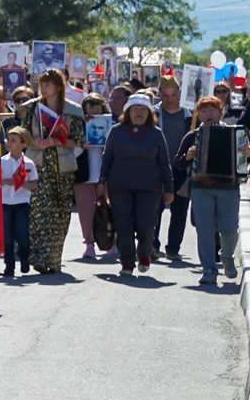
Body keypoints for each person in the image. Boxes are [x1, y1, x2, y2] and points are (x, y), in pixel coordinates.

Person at [14, 69, 80, 275]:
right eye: (41, 85)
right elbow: (21, 133)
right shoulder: (32, 108)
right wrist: (32, 140)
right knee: (38, 211)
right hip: (37, 164)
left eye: (47, 85)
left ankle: (54, 258)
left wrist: (55, 140)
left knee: (59, 212)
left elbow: (79, 140)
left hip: (62, 167)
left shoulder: (72, 110)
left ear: (58, 87)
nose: (42, 89)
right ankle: (39, 257)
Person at [100, 96, 174, 274]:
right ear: (127, 112)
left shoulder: (156, 133)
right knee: (123, 224)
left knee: (145, 224)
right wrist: (101, 182)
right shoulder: (117, 131)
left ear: (149, 113)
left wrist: (169, 189)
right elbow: (107, 157)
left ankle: (144, 255)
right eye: (135, 109)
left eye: (143, 109)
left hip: (149, 187)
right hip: (119, 185)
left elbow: (164, 162)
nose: (139, 112)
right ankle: (127, 262)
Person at [178, 97, 241, 288]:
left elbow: (243, 163)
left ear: (221, 112)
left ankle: (227, 256)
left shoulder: (236, 133)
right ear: (198, 115)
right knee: (205, 230)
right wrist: (187, 156)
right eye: (203, 111)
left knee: (229, 229)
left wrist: (246, 154)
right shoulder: (192, 136)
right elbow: (178, 162)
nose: (208, 114)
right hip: (201, 188)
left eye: (212, 110)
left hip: (229, 187)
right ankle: (209, 269)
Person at [72, 93, 112, 260]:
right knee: (86, 212)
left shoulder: (112, 126)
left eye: (98, 107)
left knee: (110, 211)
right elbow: (71, 153)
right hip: (84, 178)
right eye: (91, 107)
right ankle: (89, 244)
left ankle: (112, 243)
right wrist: (82, 146)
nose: (95, 111)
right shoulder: (78, 128)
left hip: (107, 177)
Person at [158, 79, 193, 266]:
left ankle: (173, 248)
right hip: (157, 169)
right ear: (159, 94)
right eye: (165, 95)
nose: (169, 99)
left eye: (173, 95)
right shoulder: (153, 113)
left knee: (179, 211)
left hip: (181, 169)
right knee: (155, 210)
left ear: (179, 93)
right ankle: (152, 246)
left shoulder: (189, 115)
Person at [0, 127, 35, 280]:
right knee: (6, 236)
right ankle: (9, 266)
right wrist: (4, 182)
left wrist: (18, 183)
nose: (9, 142)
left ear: (23, 145)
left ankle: (24, 258)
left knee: (22, 233)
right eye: (8, 139)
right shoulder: (1, 162)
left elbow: (33, 184)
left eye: (13, 140)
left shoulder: (28, 163)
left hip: (21, 203)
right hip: (5, 202)